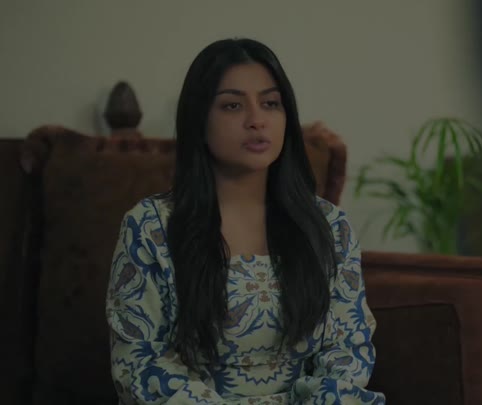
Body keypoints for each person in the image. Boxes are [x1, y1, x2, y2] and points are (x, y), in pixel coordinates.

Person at [105, 38, 385, 404]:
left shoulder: (330, 226)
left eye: (270, 103)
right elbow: (139, 364)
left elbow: (348, 349)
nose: (257, 120)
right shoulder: (149, 228)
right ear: (199, 120)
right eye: (232, 105)